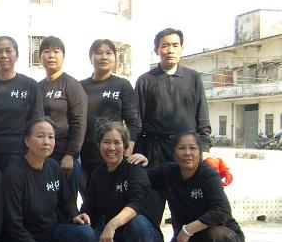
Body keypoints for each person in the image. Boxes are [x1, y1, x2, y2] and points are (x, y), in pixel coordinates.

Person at [2, 117, 95, 242]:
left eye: (51, 137)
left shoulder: (53, 166)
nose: (47, 141)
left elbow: (66, 200)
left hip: (50, 236)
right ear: (27, 140)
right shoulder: (14, 174)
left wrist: (75, 215)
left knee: (84, 233)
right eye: (40, 136)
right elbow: (13, 225)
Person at [150, 132, 245, 242]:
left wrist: (188, 229)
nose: (187, 153)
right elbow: (142, 179)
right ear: (174, 154)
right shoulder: (168, 172)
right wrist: (139, 161)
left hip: (224, 238)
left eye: (193, 148)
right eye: (182, 148)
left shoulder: (208, 175)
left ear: (200, 153)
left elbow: (222, 210)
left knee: (217, 235)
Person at [77, 119, 162, 242]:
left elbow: (138, 203)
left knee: (137, 223)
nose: (112, 148)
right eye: (106, 142)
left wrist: (112, 225)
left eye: (117, 142)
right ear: (99, 144)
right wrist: (81, 219)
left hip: (143, 236)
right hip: (113, 239)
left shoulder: (134, 168)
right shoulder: (97, 174)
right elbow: (89, 207)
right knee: (84, 238)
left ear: (125, 145)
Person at [135, 28, 211, 228]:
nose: (170, 50)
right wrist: (137, 153)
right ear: (157, 50)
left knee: (187, 210)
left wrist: (204, 148)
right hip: (154, 152)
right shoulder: (145, 80)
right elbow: (137, 122)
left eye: (175, 45)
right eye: (165, 46)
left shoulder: (193, 78)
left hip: (186, 152)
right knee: (150, 212)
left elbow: (202, 116)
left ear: (182, 49)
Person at [80, 39, 141, 195]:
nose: (104, 57)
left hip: (114, 155)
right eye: (98, 53)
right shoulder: (80, 86)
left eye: (109, 53)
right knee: (90, 201)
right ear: (90, 58)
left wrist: (127, 151)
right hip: (86, 156)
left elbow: (133, 121)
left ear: (114, 58)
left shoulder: (122, 85)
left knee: (115, 200)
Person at [0, 36, 44, 172]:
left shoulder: (30, 85)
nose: (3, 55)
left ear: (16, 55)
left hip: (18, 153)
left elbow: (37, 121)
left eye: (8, 51)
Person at [37, 36, 87, 198]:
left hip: (65, 156)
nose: (51, 56)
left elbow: (79, 121)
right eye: (46, 51)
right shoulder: (37, 87)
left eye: (56, 51)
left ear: (63, 57)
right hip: (43, 155)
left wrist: (70, 155)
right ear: (40, 57)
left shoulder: (71, 84)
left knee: (66, 202)